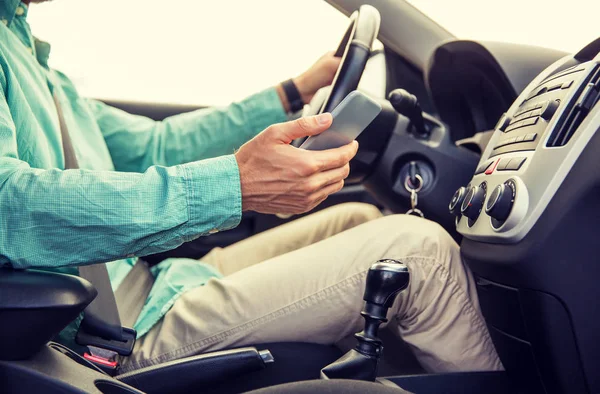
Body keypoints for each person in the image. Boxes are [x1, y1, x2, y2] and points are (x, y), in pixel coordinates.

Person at [0, 0, 502, 374]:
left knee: (359, 220)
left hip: (148, 283)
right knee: (420, 254)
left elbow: (154, 145)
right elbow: (10, 205)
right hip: (107, 329)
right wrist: (234, 187)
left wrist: (294, 92)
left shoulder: (25, 48)